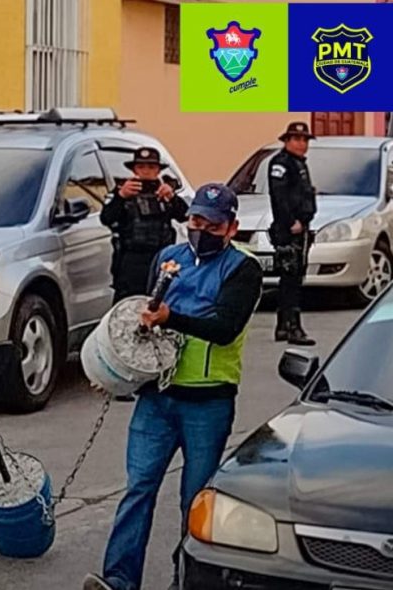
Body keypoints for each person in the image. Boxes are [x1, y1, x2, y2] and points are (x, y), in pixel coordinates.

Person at [83, 183, 263, 590]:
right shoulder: (168, 258)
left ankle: (187, 582)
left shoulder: (243, 268)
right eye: (195, 219)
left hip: (209, 402)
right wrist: (116, 375)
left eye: (211, 224)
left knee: (195, 502)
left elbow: (223, 327)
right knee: (138, 491)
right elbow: (144, 327)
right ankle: (118, 580)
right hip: (157, 399)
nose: (200, 228)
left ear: (231, 228)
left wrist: (170, 318)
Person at [100, 147, 189, 303]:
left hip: (161, 258)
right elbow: (106, 218)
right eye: (141, 167)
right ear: (134, 169)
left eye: (151, 167)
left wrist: (172, 197)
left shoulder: (164, 191)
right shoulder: (123, 191)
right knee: (127, 305)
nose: (146, 171)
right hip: (131, 261)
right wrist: (120, 197)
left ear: (158, 170)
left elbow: (185, 216)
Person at [268, 121, 317, 346]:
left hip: (301, 228)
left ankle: (283, 326)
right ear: (286, 141)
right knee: (291, 278)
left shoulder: (299, 164)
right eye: (296, 139)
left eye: (304, 140)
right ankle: (292, 327)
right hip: (288, 230)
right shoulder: (280, 164)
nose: (301, 144)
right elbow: (279, 198)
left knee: (294, 278)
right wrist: (291, 223)